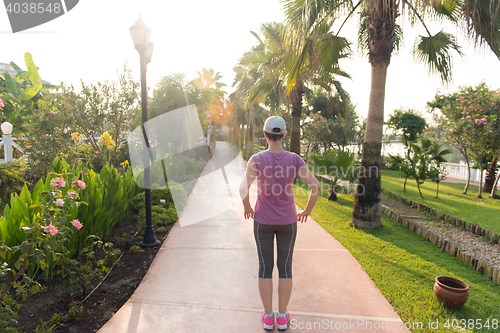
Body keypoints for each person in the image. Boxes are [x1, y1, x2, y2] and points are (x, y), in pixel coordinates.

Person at [239, 116, 320, 331]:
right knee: (285, 268)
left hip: (262, 222)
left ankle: (268, 317)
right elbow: (316, 187)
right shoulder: (294, 159)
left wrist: (247, 207)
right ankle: (282, 317)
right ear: (283, 135)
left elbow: (242, 188)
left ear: (265, 134)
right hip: (288, 223)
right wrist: (307, 211)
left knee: (265, 268)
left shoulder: (256, 159)